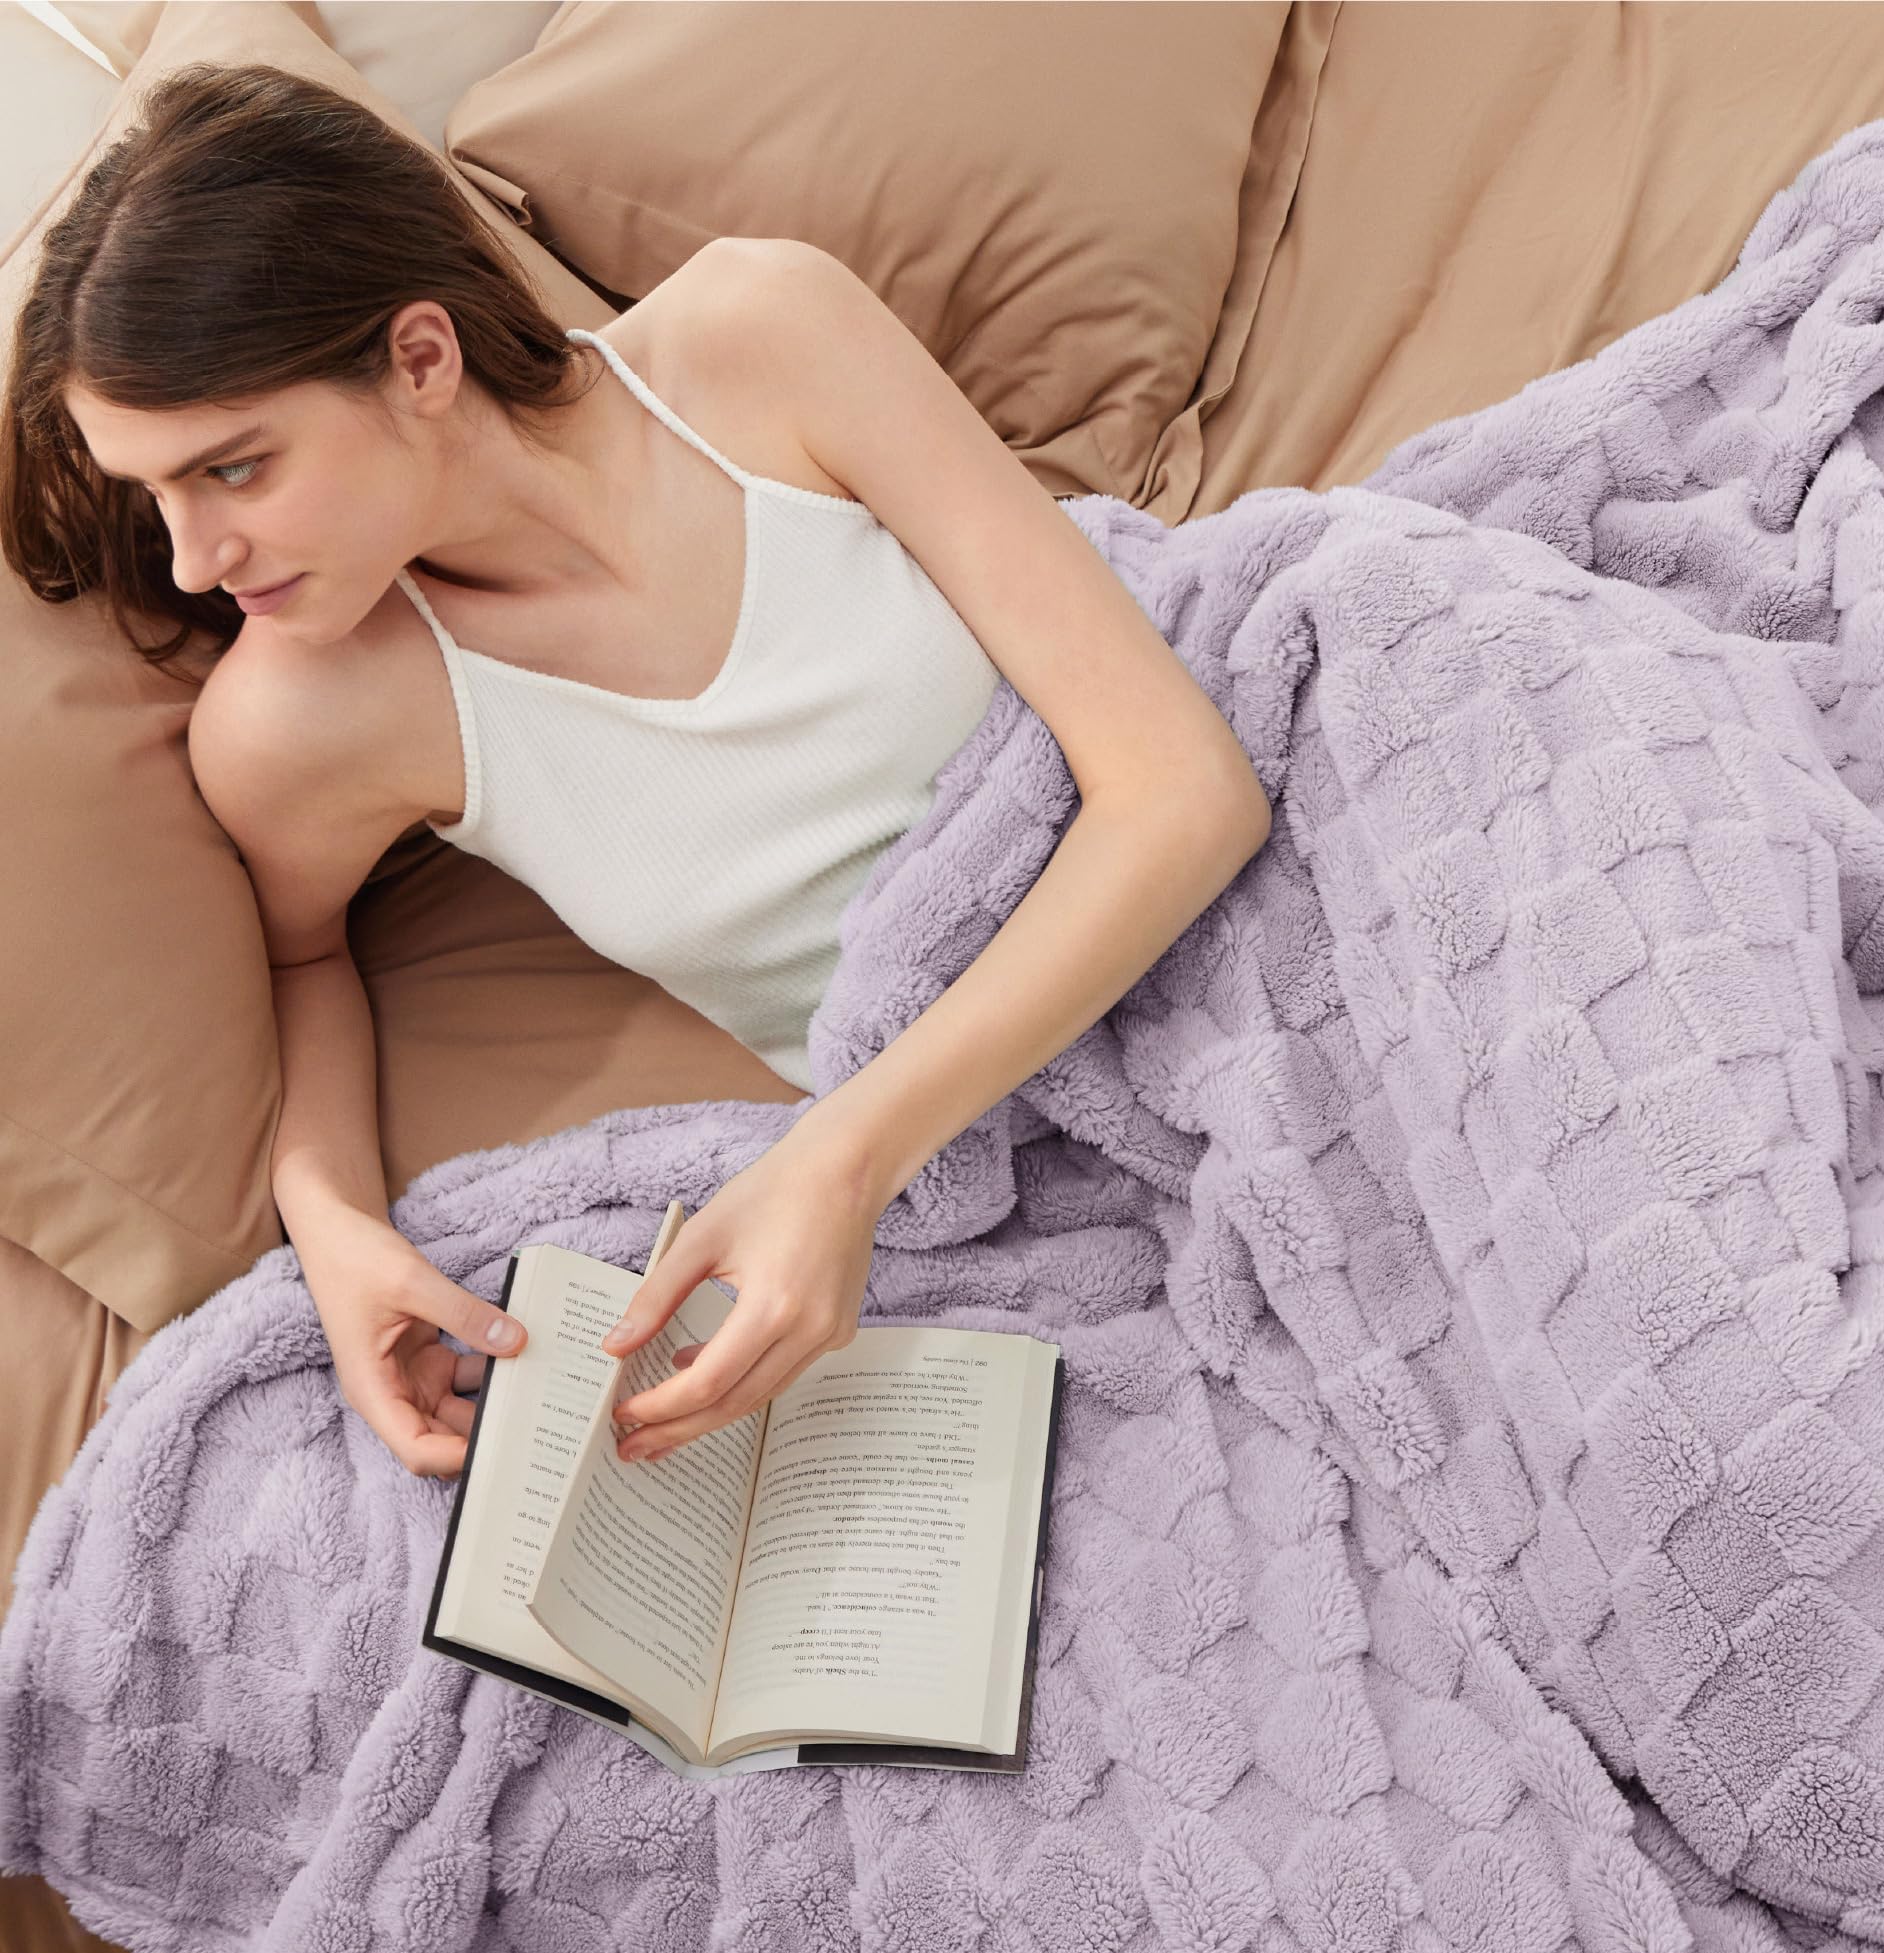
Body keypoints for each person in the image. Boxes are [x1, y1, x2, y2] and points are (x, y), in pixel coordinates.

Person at [3, 63, 1271, 1482]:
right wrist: (337, 1230)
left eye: (233, 469)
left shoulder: (761, 337)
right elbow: (304, 964)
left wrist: (842, 1162)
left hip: (1258, 874)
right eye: (152, 492)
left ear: (419, 360)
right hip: (1018, 1120)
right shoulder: (303, 719)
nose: (191, 561)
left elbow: (1187, 787)